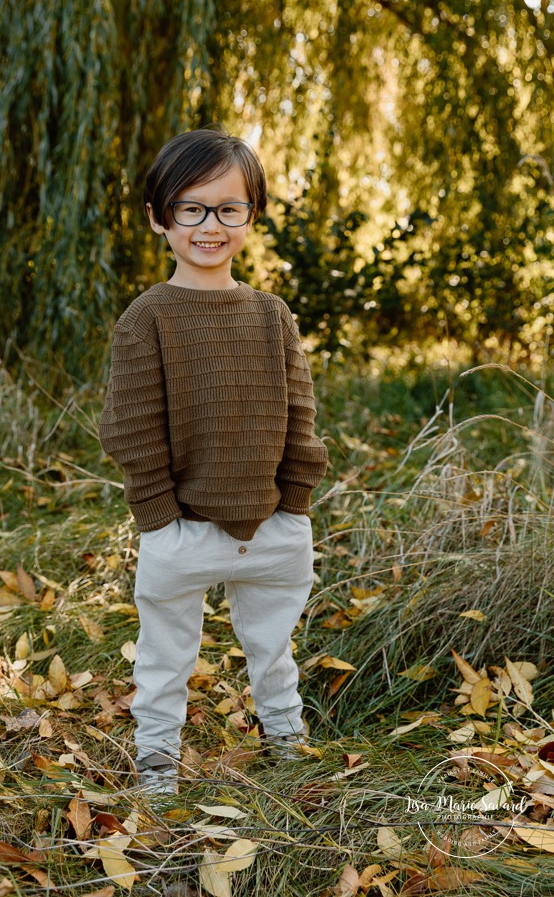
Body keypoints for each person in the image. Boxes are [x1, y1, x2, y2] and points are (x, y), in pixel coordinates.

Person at [98, 124, 329, 795]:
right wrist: (159, 522)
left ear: (250, 215)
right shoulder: (147, 318)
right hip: (179, 532)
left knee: (273, 652)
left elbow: (299, 417)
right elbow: (132, 430)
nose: (209, 225)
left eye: (229, 209)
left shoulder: (271, 314)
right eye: (190, 208)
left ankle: (288, 753)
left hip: (273, 526)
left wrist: (294, 507)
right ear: (157, 218)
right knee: (164, 660)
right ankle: (156, 773)